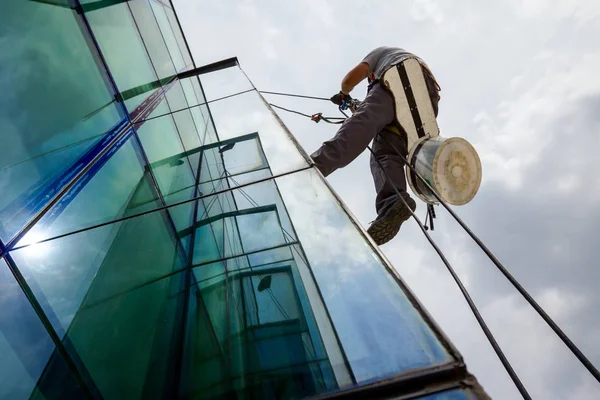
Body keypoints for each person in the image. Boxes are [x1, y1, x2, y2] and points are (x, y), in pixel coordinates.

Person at [310, 46, 440, 245]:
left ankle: (314, 165)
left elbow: (350, 80)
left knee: (358, 127)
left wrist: (344, 92)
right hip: (425, 105)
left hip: (400, 77)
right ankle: (394, 201)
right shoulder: (414, 67)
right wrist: (356, 105)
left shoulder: (382, 55)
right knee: (385, 154)